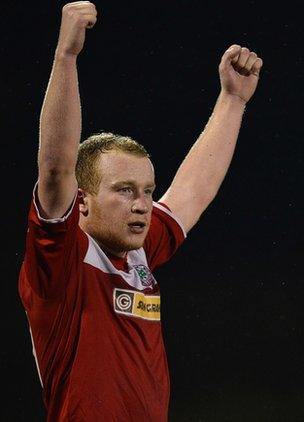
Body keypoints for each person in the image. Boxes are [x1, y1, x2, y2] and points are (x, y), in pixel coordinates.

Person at [18, 1, 263, 421]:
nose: (143, 204)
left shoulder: (139, 252)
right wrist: (66, 56)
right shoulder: (59, 262)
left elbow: (192, 191)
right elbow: (57, 168)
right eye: (125, 190)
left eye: (148, 190)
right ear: (82, 202)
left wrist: (233, 101)